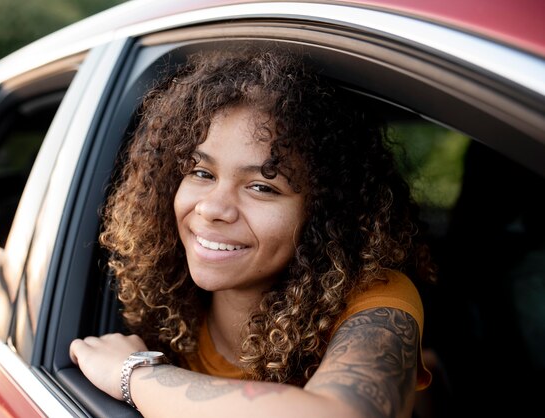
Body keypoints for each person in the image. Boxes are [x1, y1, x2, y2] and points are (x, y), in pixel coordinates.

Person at [69, 46, 436, 418]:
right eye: (201, 173)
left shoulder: (377, 297)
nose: (212, 208)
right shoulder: (165, 303)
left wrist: (133, 375)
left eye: (262, 186)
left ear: (326, 214)